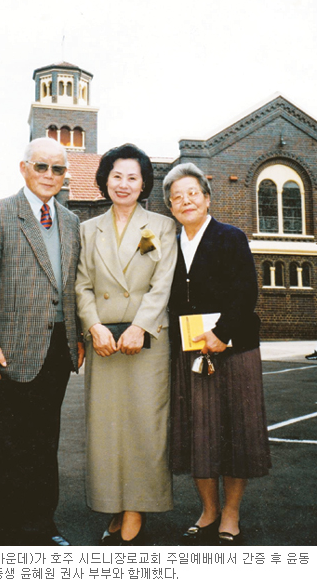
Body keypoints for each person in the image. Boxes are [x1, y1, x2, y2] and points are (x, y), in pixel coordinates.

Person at [0, 137, 84, 546]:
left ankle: (40, 528)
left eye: (58, 169)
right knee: (3, 446)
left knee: (43, 443)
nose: (50, 175)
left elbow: (71, 288)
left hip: (56, 352)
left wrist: (78, 337)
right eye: (41, 167)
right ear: (23, 168)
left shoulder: (70, 222)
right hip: (6, 352)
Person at [163, 163, 271, 546]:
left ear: (207, 198)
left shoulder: (230, 236)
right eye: (177, 197)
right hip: (190, 353)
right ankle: (208, 510)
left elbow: (246, 291)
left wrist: (222, 333)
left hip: (233, 350)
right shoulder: (168, 246)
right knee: (199, 434)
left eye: (192, 193)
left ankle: (230, 513)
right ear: (171, 207)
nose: (185, 200)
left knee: (234, 434)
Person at [75, 143, 177, 545]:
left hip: (144, 343)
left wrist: (141, 326)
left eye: (132, 177)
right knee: (107, 430)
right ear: (104, 181)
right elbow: (82, 285)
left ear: (143, 183)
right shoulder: (88, 229)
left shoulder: (159, 227)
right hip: (104, 344)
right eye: (116, 175)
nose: (123, 184)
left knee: (144, 427)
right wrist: (94, 327)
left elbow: (162, 282)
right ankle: (114, 504)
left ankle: (136, 507)